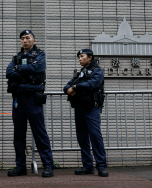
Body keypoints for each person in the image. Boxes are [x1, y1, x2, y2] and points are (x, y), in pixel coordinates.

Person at [6, 30, 54, 177]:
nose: (24, 41)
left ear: (34, 40)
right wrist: (25, 70)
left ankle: (48, 166)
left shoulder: (40, 55)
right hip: (19, 99)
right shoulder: (16, 57)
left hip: (33, 99)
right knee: (19, 135)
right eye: (22, 38)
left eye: (27, 38)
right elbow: (8, 73)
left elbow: (38, 67)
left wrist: (19, 69)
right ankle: (20, 166)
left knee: (40, 133)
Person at [63, 49, 108, 177]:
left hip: (91, 108)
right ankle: (87, 166)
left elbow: (92, 84)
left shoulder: (97, 71)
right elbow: (66, 86)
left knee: (95, 136)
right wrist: (69, 89)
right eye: (79, 57)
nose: (79, 59)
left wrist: (75, 87)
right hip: (79, 108)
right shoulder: (79, 73)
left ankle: (101, 166)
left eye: (82, 56)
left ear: (90, 58)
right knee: (82, 137)